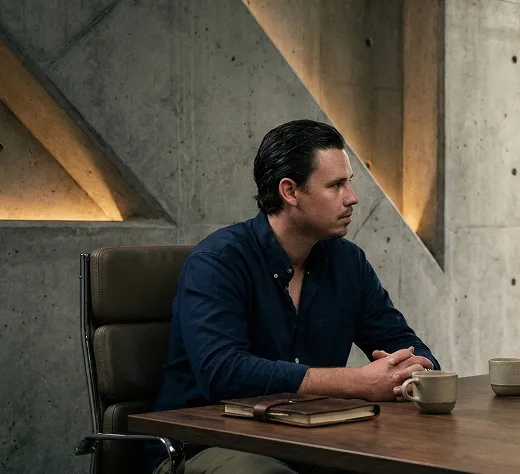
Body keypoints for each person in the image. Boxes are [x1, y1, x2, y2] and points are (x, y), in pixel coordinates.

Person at [149, 119, 439, 473]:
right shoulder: (218, 261)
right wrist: (357, 383)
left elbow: (406, 344)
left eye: (349, 182)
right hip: (205, 446)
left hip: (312, 442)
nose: (352, 197)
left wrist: (412, 369)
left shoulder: (348, 262)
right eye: (336, 185)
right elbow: (223, 372)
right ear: (290, 191)